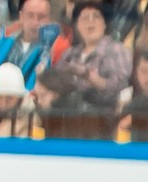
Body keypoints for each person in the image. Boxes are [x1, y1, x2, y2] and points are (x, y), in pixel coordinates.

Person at [37, 0, 125, 129]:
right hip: (63, 116)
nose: (90, 22)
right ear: (76, 25)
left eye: (96, 17)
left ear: (105, 24)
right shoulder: (69, 54)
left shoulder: (117, 50)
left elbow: (121, 87)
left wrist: (96, 80)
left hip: (98, 120)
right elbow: (55, 81)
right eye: (84, 18)